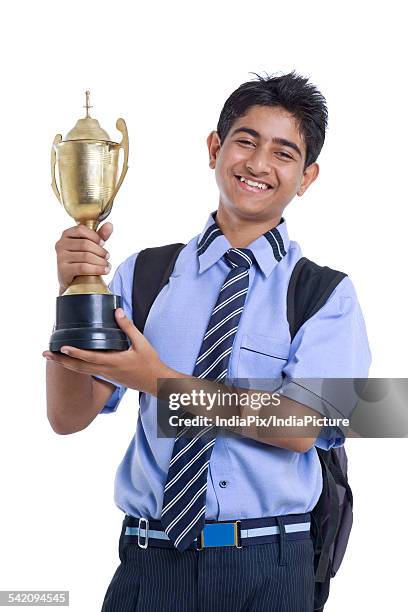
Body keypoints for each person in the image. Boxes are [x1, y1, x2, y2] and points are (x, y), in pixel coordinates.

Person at [43, 71, 371, 612]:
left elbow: (300, 427)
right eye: (245, 140)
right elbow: (67, 416)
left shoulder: (324, 294)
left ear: (306, 177)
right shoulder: (144, 275)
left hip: (267, 567)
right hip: (150, 561)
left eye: (283, 152)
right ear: (216, 148)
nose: (259, 164)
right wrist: (74, 293)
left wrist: (157, 383)